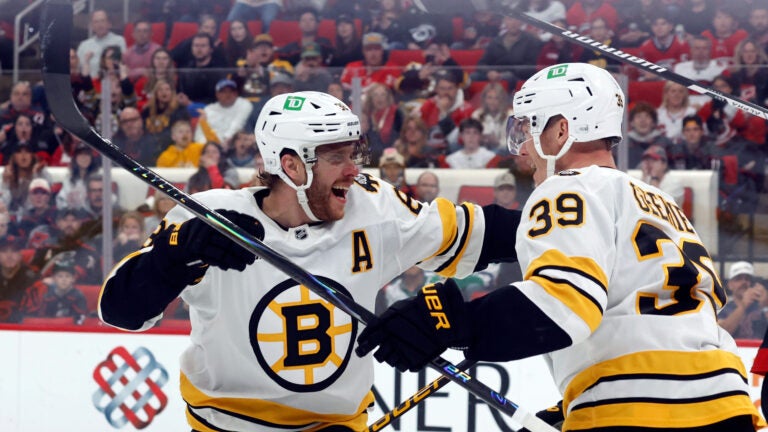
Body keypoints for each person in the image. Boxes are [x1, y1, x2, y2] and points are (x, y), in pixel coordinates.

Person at [356, 62, 764, 431]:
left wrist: (448, 321)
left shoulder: (566, 188)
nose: (526, 151)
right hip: (727, 406)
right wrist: (576, 399)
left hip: (636, 411)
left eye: (530, 130)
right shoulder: (660, 202)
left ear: (561, 130)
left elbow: (564, 305)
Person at [98, 90, 522, 431]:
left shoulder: (372, 206)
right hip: (228, 424)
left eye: (354, 155)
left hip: (336, 426)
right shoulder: (209, 219)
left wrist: (560, 231)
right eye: (337, 158)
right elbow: (120, 312)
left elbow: (483, 233)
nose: (353, 171)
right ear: (292, 166)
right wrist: (176, 256)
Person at [193, 79, 253, 148]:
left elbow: (237, 125)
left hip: (232, 146)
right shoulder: (208, 109)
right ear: (217, 94)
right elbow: (199, 135)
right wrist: (209, 147)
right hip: (210, 148)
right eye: (224, 92)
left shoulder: (244, 104)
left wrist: (224, 142)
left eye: (231, 91)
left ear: (236, 93)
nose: (228, 94)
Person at [718, 261, 767, 339]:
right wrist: (743, 305)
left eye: (747, 279)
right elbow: (721, 334)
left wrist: (766, 306)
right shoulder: (722, 308)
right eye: (738, 279)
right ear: (730, 285)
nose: (744, 282)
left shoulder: (761, 307)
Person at [0, 235, 43, 323]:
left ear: (21, 254)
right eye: (4, 251)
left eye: (14, 251)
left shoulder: (32, 277)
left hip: (20, 328)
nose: (9, 256)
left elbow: (32, 313)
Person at [76, 10, 127, 78]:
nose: (100, 25)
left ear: (109, 23)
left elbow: (124, 65)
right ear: (91, 25)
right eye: (96, 22)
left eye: (102, 21)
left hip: (113, 84)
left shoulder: (119, 41)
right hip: (90, 85)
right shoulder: (84, 45)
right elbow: (77, 68)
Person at [37, 258, 87, 324]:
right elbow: (42, 320)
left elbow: (81, 320)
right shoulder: (47, 297)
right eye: (60, 276)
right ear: (54, 279)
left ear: (73, 279)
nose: (64, 280)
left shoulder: (78, 297)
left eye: (67, 276)